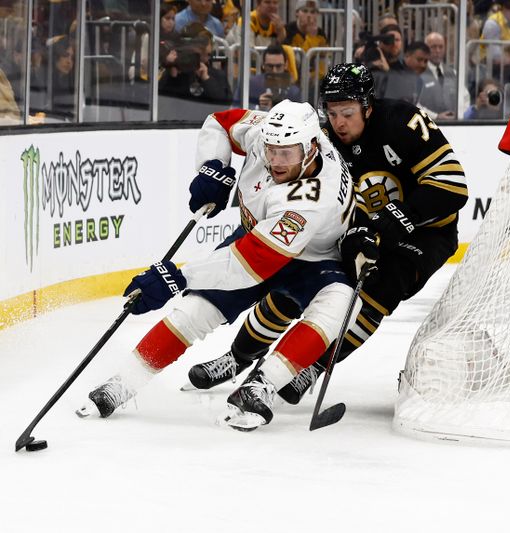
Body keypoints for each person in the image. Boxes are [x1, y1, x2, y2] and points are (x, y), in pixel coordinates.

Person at [188, 63, 469, 406]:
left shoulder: (404, 122)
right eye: (332, 112)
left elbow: (452, 187)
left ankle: (312, 366)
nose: (339, 122)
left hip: (426, 231)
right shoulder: (321, 141)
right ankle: (239, 357)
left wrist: (394, 219)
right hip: (363, 227)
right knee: (298, 282)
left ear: (368, 106)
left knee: (375, 293)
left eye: (348, 113)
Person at [77, 100, 356, 425]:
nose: (276, 161)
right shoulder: (266, 134)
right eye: (271, 150)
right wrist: (213, 167)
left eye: (287, 154)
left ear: (310, 149)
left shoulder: (313, 197)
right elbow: (220, 122)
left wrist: (178, 277)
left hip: (314, 259)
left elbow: (253, 263)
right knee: (196, 310)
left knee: (339, 306)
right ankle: (122, 384)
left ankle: (261, 387)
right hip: (257, 238)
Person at [418, 31, 468, 120]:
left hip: (455, 125)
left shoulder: (453, 73)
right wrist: (436, 117)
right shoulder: (417, 73)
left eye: (441, 47)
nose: (437, 51)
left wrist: (459, 115)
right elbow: (414, 105)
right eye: (433, 47)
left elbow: (465, 98)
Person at [235, 44, 301, 110]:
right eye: (270, 66)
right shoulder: (249, 85)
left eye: (278, 66)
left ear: (286, 65)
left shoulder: (293, 91)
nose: (274, 71)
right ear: (263, 65)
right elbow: (235, 109)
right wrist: (257, 107)